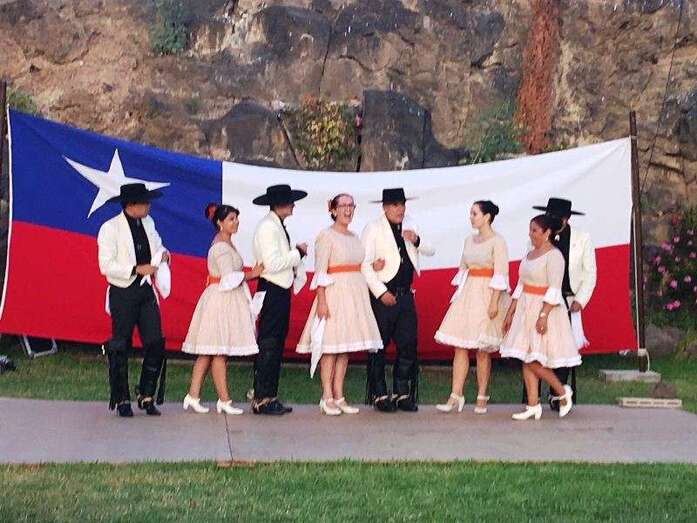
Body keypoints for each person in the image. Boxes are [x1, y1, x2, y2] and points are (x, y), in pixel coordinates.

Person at [296, 193, 383, 415]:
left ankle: (339, 395)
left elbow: (357, 264)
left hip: (354, 296)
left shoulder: (355, 237)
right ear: (333, 210)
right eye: (343, 206)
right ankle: (326, 396)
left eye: (351, 205)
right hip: (335, 295)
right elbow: (321, 271)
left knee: (345, 347)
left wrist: (373, 266)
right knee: (331, 347)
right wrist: (322, 301)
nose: (347, 209)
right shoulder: (326, 236)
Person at [182, 204, 264, 415]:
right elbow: (229, 277)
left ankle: (193, 395)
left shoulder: (227, 243)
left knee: (209, 351)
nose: (235, 222)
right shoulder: (220, 247)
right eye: (231, 219)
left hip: (225, 298)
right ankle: (224, 400)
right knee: (218, 350)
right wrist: (253, 274)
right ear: (220, 223)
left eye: (236, 218)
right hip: (220, 299)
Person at [98, 183, 170, 417]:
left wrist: (163, 255)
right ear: (131, 205)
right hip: (123, 291)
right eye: (144, 202)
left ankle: (146, 393)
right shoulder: (110, 228)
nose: (148, 206)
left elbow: (157, 244)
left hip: (145, 290)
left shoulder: (148, 223)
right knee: (120, 345)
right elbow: (106, 265)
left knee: (155, 341)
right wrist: (135, 269)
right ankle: (121, 397)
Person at [361, 187, 435, 412]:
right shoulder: (373, 228)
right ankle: (379, 393)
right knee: (378, 346)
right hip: (384, 293)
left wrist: (416, 240)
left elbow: (431, 249)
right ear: (385, 207)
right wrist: (380, 292)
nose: (400, 209)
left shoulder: (411, 224)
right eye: (395, 205)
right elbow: (364, 264)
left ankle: (402, 392)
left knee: (408, 344)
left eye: (402, 204)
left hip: (405, 294)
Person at [500, 214, 581, 420]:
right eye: (530, 230)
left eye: (535, 230)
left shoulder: (554, 256)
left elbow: (554, 288)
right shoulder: (529, 254)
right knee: (526, 357)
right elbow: (521, 285)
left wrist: (543, 315)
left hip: (544, 310)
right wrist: (510, 312)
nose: (531, 234)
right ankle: (533, 404)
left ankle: (562, 392)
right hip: (525, 308)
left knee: (534, 359)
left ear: (547, 233)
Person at [434, 201, 510, 415]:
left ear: (487, 217)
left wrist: (494, 301)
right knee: (460, 345)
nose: (471, 217)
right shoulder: (469, 240)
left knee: (482, 348)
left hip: (487, 294)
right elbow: (463, 267)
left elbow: (501, 272)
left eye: (475, 213)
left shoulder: (498, 241)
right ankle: (455, 394)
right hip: (469, 293)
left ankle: (482, 395)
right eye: (470, 213)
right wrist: (460, 294)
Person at [532, 197, 596, 409]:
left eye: (555, 217)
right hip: (542, 298)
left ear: (566, 219)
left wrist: (580, 300)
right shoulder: (540, 235)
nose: (550, 220)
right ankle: (532, 395)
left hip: (566, 299)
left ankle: (557, 393)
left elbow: (589, 273)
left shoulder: (582, 239)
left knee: (562, 348)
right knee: (536, 346)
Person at [251, 184, 308, 415]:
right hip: (272, 289)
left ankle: (269, 395)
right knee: (269, 343)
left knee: (275, 342)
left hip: (279, 289)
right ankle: (262, 397)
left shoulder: (276, 226)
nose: (293, 205)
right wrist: (298, 254)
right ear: (280, 204)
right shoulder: (268, 227)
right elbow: (272, 264)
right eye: (289, 201)